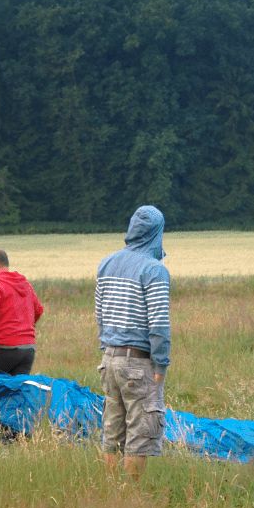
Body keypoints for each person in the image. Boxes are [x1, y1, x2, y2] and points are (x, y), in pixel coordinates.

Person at [95, 205, 171, 480]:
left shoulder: (106, 263)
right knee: (140, 433)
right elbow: (159, 324)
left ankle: (110, 490)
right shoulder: (154, 270)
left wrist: (106, 349)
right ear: (157, 233)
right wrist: (160, 364)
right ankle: (130, 495)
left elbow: (100, 313)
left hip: (109, 359)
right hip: (139, 362)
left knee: (112, 431)